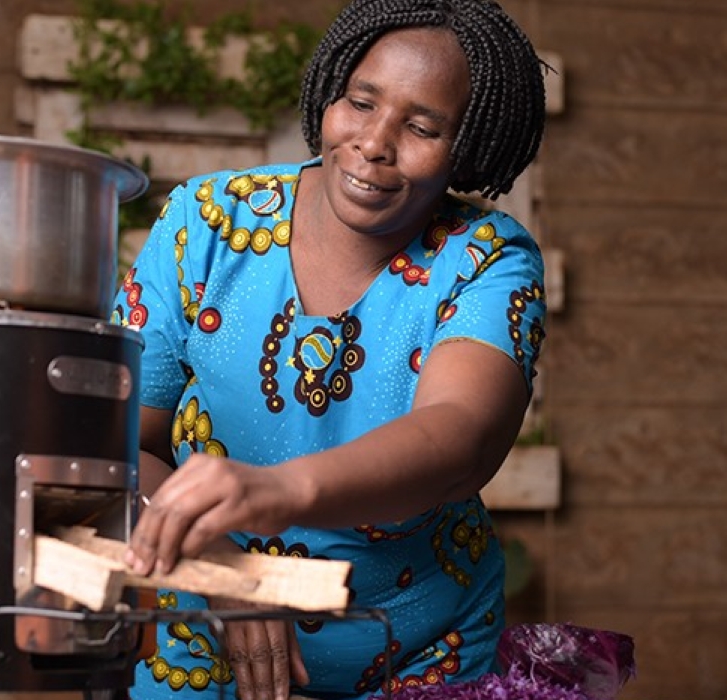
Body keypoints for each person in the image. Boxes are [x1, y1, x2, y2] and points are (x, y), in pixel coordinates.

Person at [111, 0, 548, 698]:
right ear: (331, 90)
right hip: (207, 626)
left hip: (418, 650)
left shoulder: (485, 261)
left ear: (468, 146)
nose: (375, 142)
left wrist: (279, 491)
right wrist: (229, 573)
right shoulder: (210, 223)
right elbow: (117, 442)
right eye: (361, 102)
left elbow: (461, 439)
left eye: (422, 126)